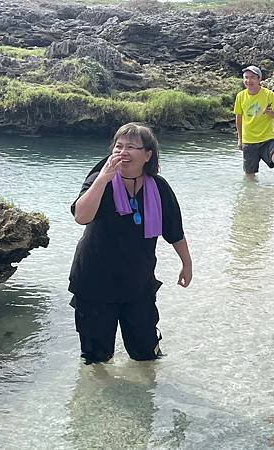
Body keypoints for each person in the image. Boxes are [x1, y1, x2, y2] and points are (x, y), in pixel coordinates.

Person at [68, 123, 193, 364]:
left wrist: (186, 264)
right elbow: (81, 217)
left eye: (132, 147)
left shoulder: (159, 188)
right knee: (96, 358)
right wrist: (104, 179)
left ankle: (146, 399)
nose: (123, 152)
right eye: (119, 146)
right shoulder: (99, 180)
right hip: (94, 283)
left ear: (148, 155)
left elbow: (175, 231)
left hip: (138, 283)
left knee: (146, 354)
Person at [234, 65, 274, 184]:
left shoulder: (268, 94)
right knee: (249, 175)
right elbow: (238, 118)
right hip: (249, 141)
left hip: (267, 139)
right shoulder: (240, 96)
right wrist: (240, 139)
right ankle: (253, 198)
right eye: (246, 78)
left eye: (252, 77)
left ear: (259, 79)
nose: (249, 81)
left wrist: (268, 112)